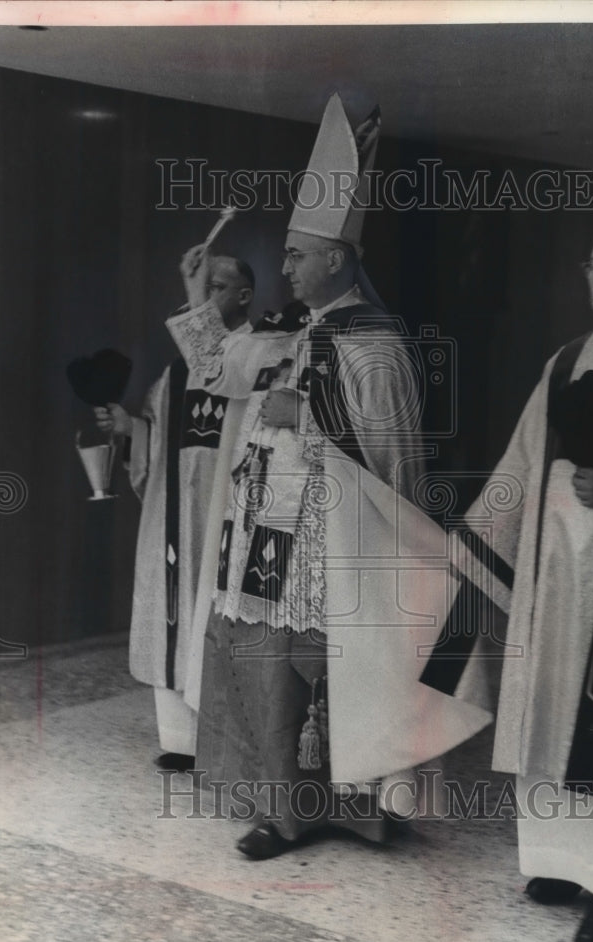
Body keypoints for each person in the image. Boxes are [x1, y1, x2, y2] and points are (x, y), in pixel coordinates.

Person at [166, 94, 492, 859]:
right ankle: (283, 813)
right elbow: (215, 370)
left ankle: (361, 812)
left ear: (336, 260)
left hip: (335, 546)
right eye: (285, 256)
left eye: (295, 255)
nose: (283, 267)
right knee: (268, 673)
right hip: (264, 539)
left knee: (334, 673)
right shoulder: (289, 328)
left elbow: (393, 454)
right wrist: (195, 297)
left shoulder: (375, 342)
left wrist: (306, 414)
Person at [443, 220, 593, 942]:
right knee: (553, 709)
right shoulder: (566, 361)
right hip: (556, 570)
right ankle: (560, 862)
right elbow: (523, 461)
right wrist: (470, 543)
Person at [95, 254, 255, 769]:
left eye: (216, 286)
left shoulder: (258, 355)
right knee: (172, 610)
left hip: (227, 511)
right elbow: (159, 436)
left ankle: (229, 739)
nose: (202, 297)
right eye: (197, 286)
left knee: (216, 612)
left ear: (245, 296)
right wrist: (132, 429)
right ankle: (183, 741)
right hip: (175, 513)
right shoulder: (176, 371)